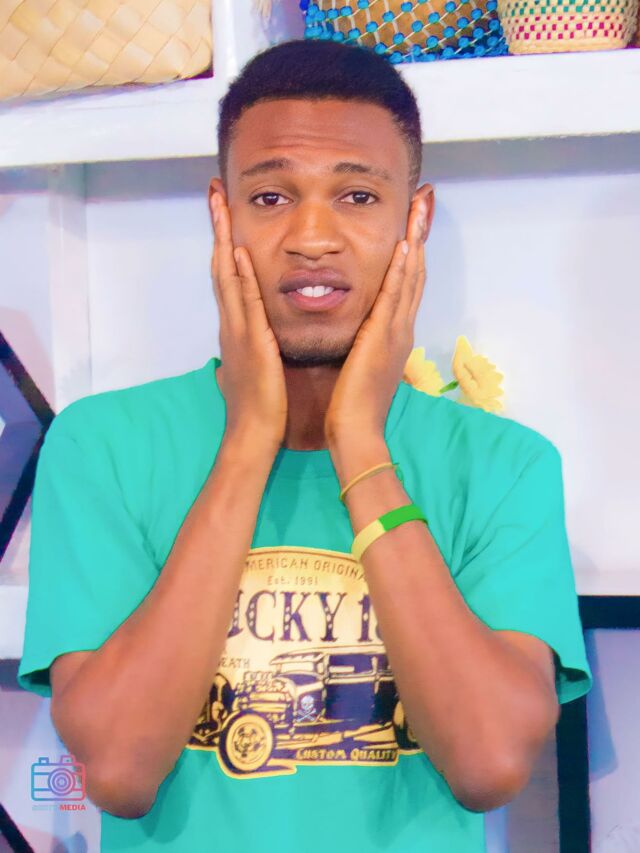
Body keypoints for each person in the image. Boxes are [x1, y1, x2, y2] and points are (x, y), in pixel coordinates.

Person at [18, 37, 592, 852]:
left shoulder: (504, 465)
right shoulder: (101, 445)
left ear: (415, 219)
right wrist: (249, 440)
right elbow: (117, 769)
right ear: (221, 213)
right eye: (271, 196)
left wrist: (359, 443)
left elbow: (489, 761)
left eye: (357, 196)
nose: (312, 236)